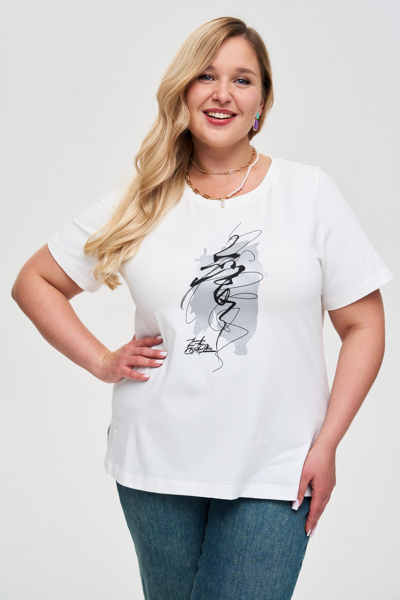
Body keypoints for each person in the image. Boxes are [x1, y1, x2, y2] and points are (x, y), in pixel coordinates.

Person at [11, 15, 393, 600]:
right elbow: (34, 281)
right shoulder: (140, 202)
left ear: (262, 100)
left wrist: (327, 444)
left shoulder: (308, 193)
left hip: (279, 466)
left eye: (242, 79)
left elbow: (364, 323)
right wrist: (102, 361)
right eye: (206, 76)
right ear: (183, 90)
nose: (222, 93)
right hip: (155, 464)